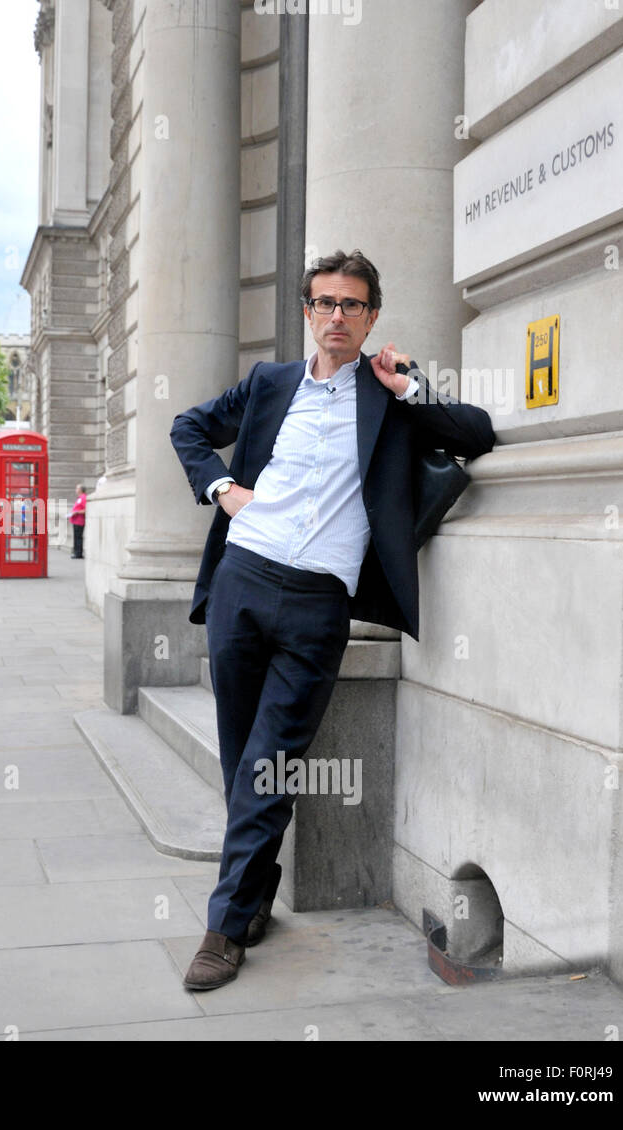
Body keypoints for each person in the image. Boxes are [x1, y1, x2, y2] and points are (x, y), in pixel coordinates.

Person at [169, 249, 495, 992]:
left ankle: (224, 930)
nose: (337, 316)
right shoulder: (271, 383)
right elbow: (187, 426)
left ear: (372, 315)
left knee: (269, 762)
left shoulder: (386, 395)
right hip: (241, 581)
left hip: (317, 603)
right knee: (239, 758)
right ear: (307, 311)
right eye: (325, 303)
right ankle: (250, 895)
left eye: (352, 305)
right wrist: (221, 487)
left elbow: (475, 433)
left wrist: (411, 387)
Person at [69, 484, 87, 559]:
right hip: (76, 521)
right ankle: (76, 552)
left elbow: (86, 510)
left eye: (77, 488)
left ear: (80, 490)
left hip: (80, 521)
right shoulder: (79, 498)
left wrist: (76, 512)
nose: (75, 490)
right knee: (76, 537)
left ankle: (78, 553)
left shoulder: (83, 498)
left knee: (78, 537)